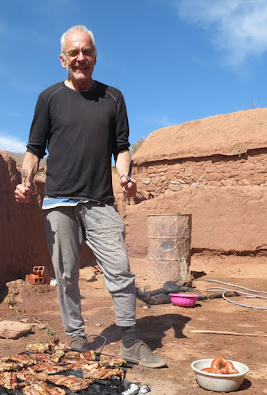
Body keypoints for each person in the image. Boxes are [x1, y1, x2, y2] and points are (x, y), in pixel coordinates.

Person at [14, 25, 166, 368]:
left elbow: (122, 148)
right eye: (73, 53)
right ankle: (77, 337)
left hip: (100, 201)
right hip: (58, 203)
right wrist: (25, 181)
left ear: (95, 56)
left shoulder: (113, 97)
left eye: (87, 52)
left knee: (120, 270)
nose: (80, 58)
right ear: (62, 59)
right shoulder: (49, 98)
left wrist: (125, 175)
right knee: (65, 274)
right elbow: (34, 149)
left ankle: (129, 340)